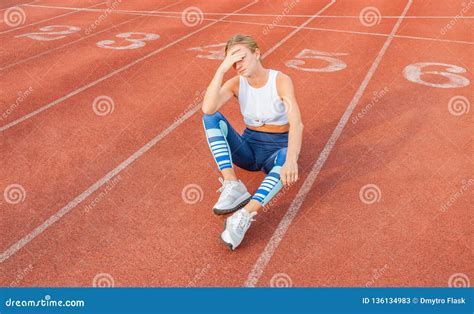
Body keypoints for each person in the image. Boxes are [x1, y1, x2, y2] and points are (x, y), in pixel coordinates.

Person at [201, 34, 304, 250]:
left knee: (287, 158)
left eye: (242, 57)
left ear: (257, 53)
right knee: (210, 118)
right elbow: (208, 109)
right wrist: (221, 70)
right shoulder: (236, 83)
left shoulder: (280, 81)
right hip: (248, 150)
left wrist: (292, 160)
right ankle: (232, 184)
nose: (238, 65)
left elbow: (296, 124)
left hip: (276, 150)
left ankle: (243, 215)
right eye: (233, 61)